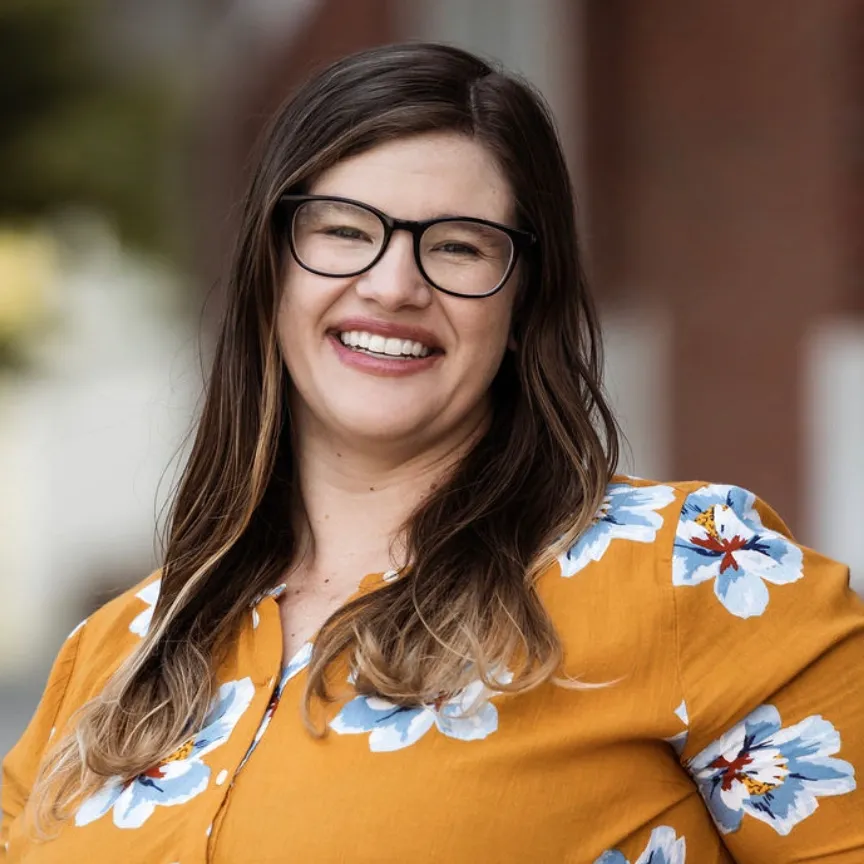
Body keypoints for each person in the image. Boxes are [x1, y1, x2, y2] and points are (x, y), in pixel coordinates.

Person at [2, 41, 862, 864]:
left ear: (525, 305)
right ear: (271, 271)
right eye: (342, 230)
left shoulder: (694, 571)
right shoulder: (122, 649)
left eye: (457, 246)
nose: (392, 285)